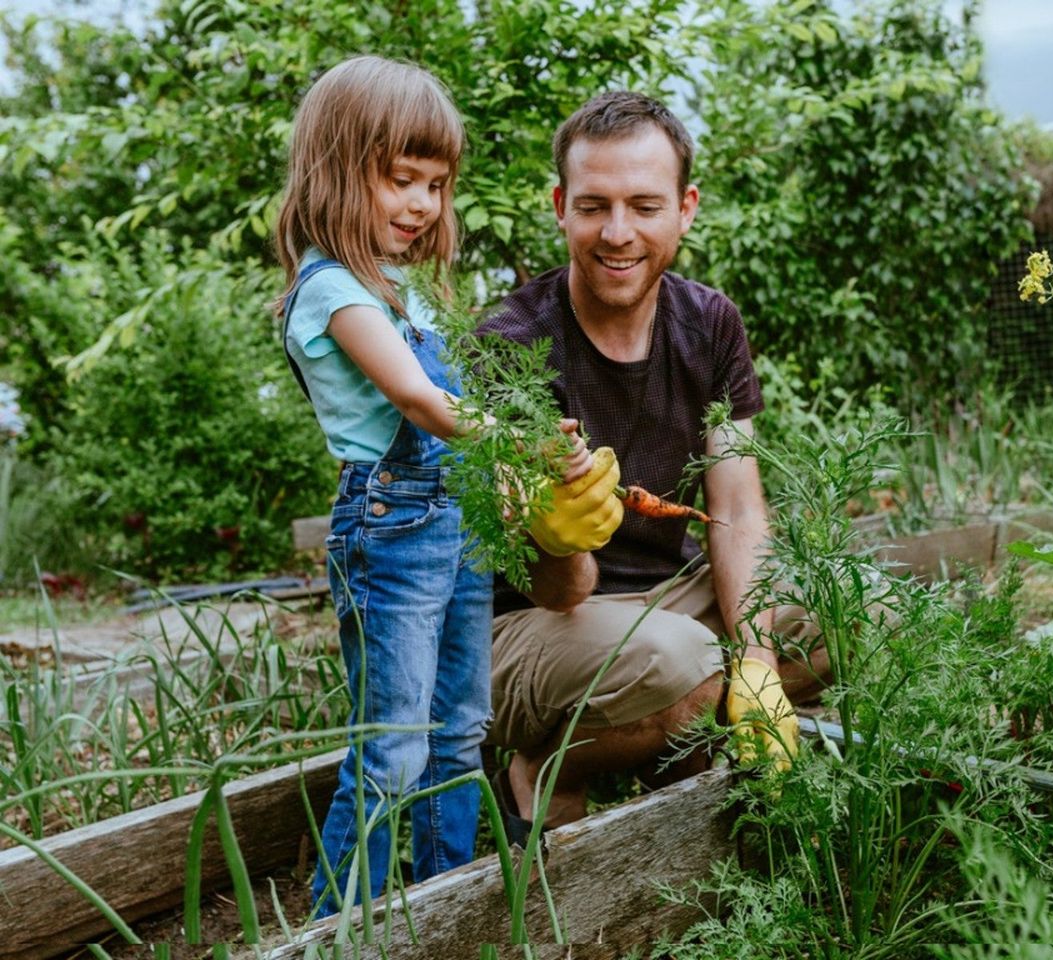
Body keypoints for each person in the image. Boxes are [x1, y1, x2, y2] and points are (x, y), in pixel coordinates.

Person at [272, 55, 602, 915]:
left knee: (461, 735)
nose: (421, 205)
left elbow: (454, 413)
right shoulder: (331, 289)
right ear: (339, 171)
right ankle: (336, 927)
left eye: (436, 185)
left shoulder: (404, 290)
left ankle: (448, 902)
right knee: (392, 748)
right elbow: (420, 401)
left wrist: (517, 456)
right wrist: (525, 438)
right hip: (390, 530)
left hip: (449, 520)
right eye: (401, 180)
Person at [481, 92, 823, 831]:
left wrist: (759, 665)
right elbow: (550, 589)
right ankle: (547, 761)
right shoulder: (510, 345)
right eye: (593, 205)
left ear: (685, 207)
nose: (617, 232)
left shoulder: (709, 323)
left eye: (643, 205)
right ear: (559, 206)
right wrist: (559, 536)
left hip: (673, 596)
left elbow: (734, 508)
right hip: (537, 624)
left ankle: (678, 729)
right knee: (689, 670)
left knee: (856, 613)